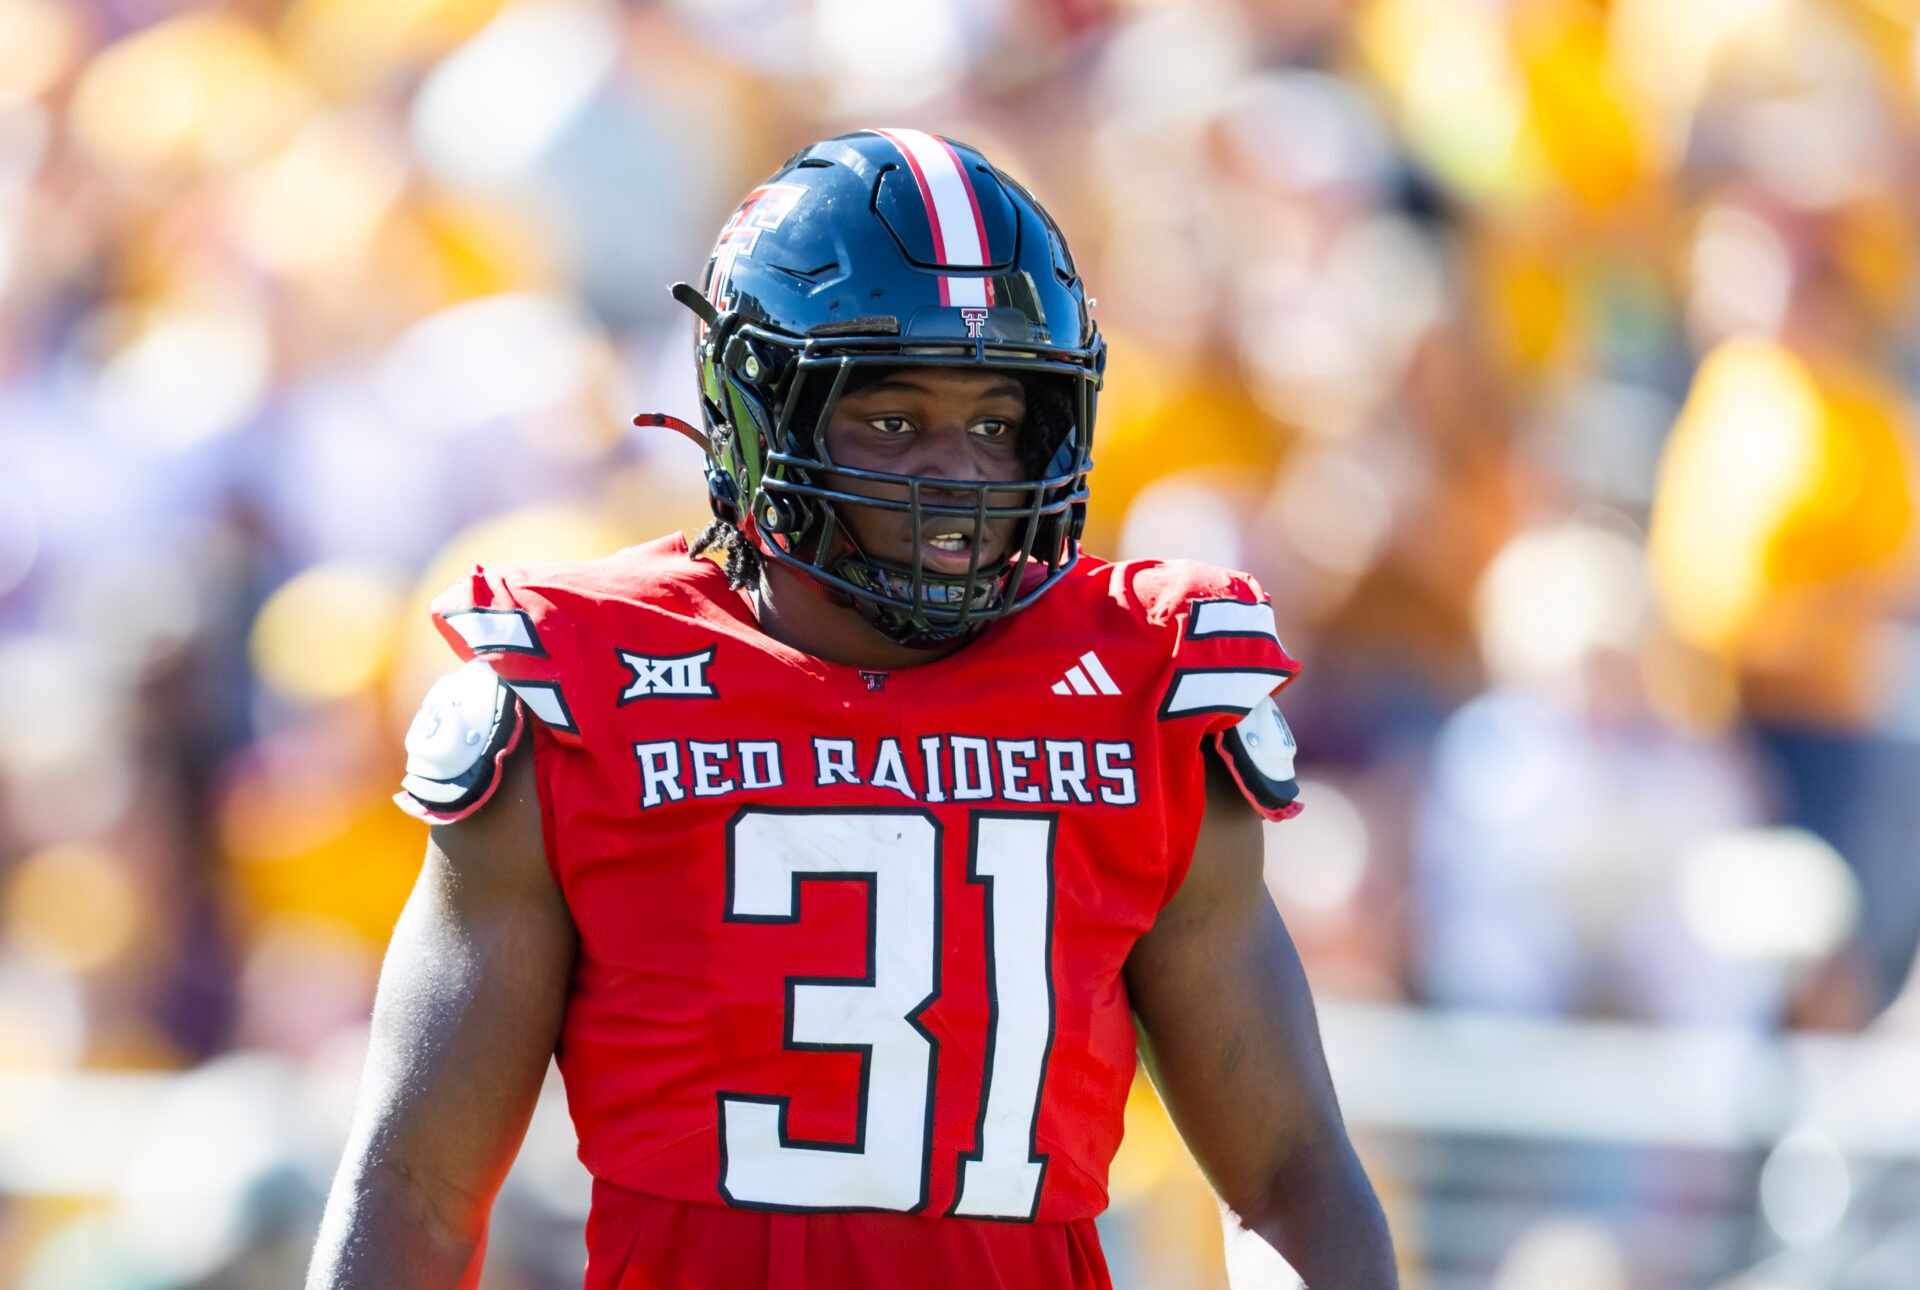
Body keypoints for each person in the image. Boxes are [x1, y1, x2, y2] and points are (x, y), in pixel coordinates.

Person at [306, 129, 1397, 1290]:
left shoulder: (1142, 691)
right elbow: (413, 1192)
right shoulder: (586, 689)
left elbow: (1288, 1178)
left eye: (996, 422)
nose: (956, 475)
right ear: (755, 409)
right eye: (890, 419)